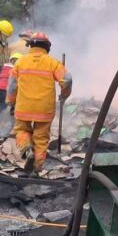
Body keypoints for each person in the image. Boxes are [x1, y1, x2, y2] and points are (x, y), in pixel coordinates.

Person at [6, 32, 72, 174]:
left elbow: (12, 86)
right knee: (41, 138)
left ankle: (27, 149)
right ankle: (37, 169)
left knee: (22, 130)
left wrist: (10, 101)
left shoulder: (20, 62)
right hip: (44, 109)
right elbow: (67, 80)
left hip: (23, 107)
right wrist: (64, 95)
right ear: (47, 47)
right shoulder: (52, 62)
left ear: (30, 45)